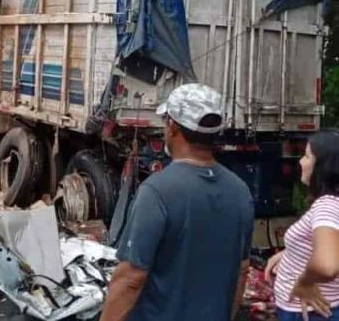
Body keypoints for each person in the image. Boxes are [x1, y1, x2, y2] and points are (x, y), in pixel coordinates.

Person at [101, 83, 255, 321]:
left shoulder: (157, 192)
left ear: (172, 127)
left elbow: (131, 279)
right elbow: (241, 271)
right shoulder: (240, 191)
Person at [264, 130, 339, 320]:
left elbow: (327, 265)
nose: (301, 162)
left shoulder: (327, 206)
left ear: (322, 167)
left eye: (307, 156)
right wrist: (291, 252)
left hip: (310, 313)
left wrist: (304, 283)